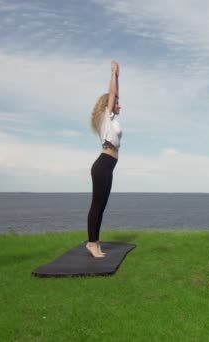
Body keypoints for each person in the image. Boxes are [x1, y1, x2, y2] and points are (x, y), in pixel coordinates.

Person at [86, 61, 122, 258]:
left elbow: (116, 96)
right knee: (97, 204)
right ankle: (91, 243)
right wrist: (114, 75)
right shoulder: (106, 117)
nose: (119, 104)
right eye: (117, 102)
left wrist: (119, 79)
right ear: (109, 104)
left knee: (102, 205)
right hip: (102, 166)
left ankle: (95, 242)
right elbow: (112, 94)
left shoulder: (112, 120)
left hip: (108, 166)